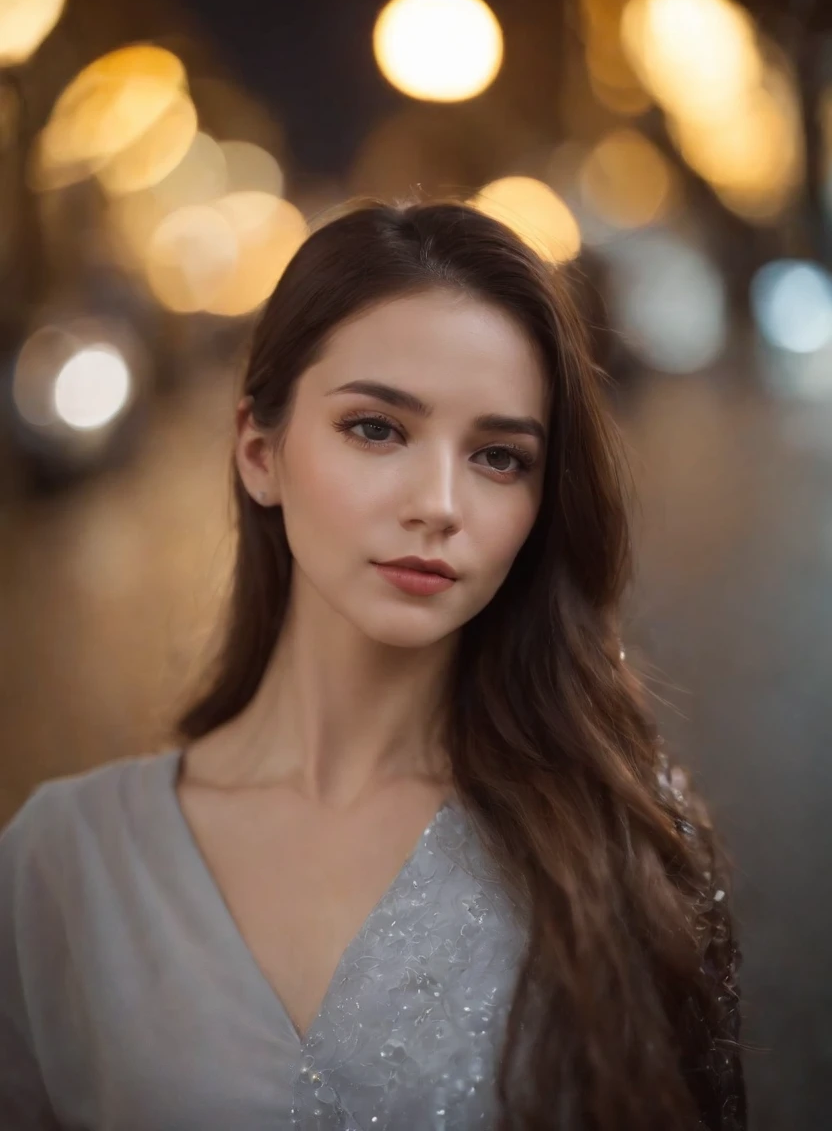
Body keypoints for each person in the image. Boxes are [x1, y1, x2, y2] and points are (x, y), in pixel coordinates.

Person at [0, 198, 747, 1130]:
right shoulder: (62, 864)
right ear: (259, 452)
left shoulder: (624, 839)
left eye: (500, 457)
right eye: (378, 430)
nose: (438, 503)